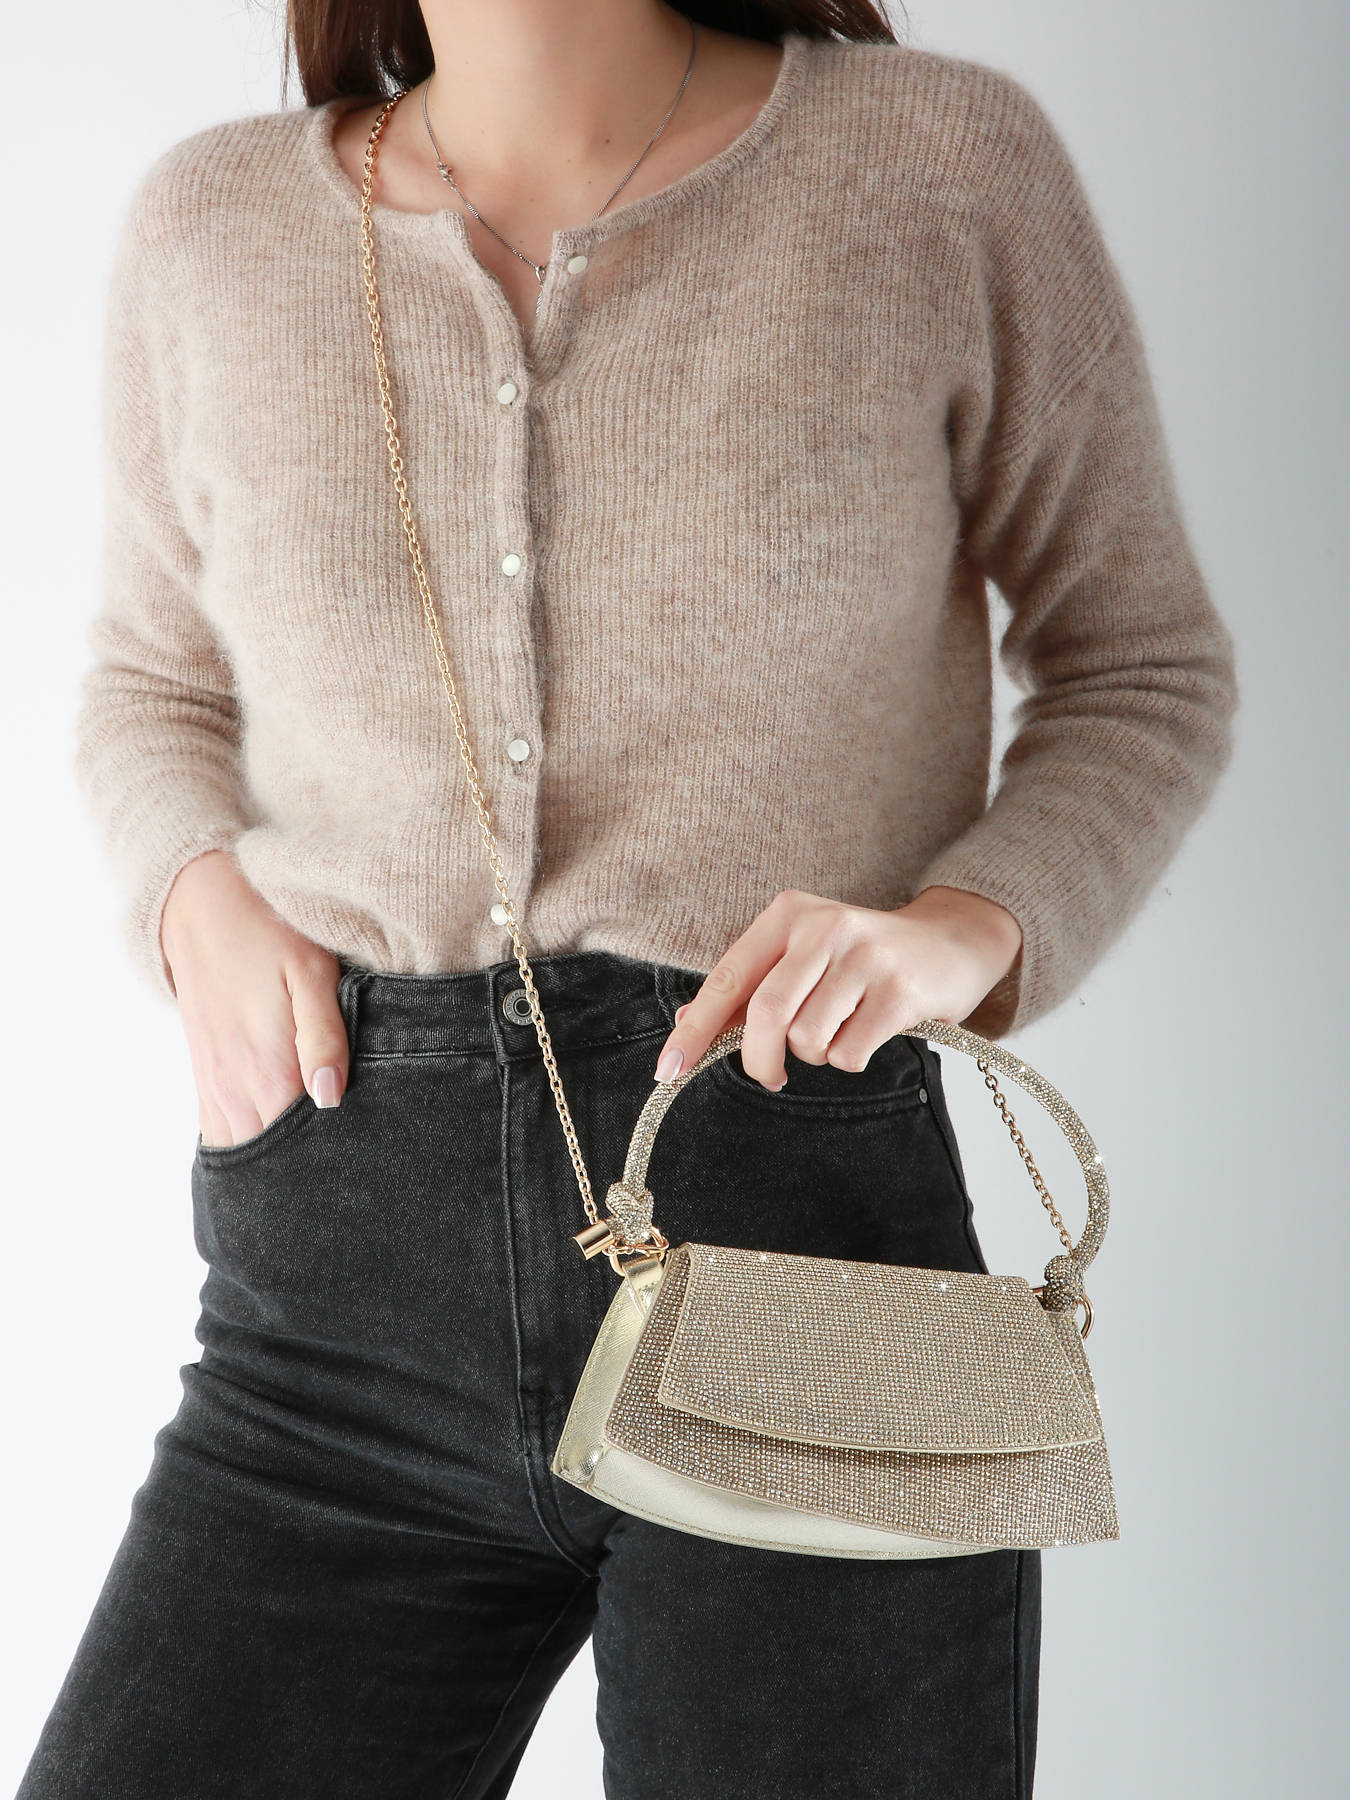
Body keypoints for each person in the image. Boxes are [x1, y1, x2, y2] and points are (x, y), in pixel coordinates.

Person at [17, 1, 1238, 1795]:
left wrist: (957, 930)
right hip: (333, 1287)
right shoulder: (215, 223)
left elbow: (1139, 666)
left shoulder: (936, 166)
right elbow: (150, 687)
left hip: (801, 1232)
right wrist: (188, 893)